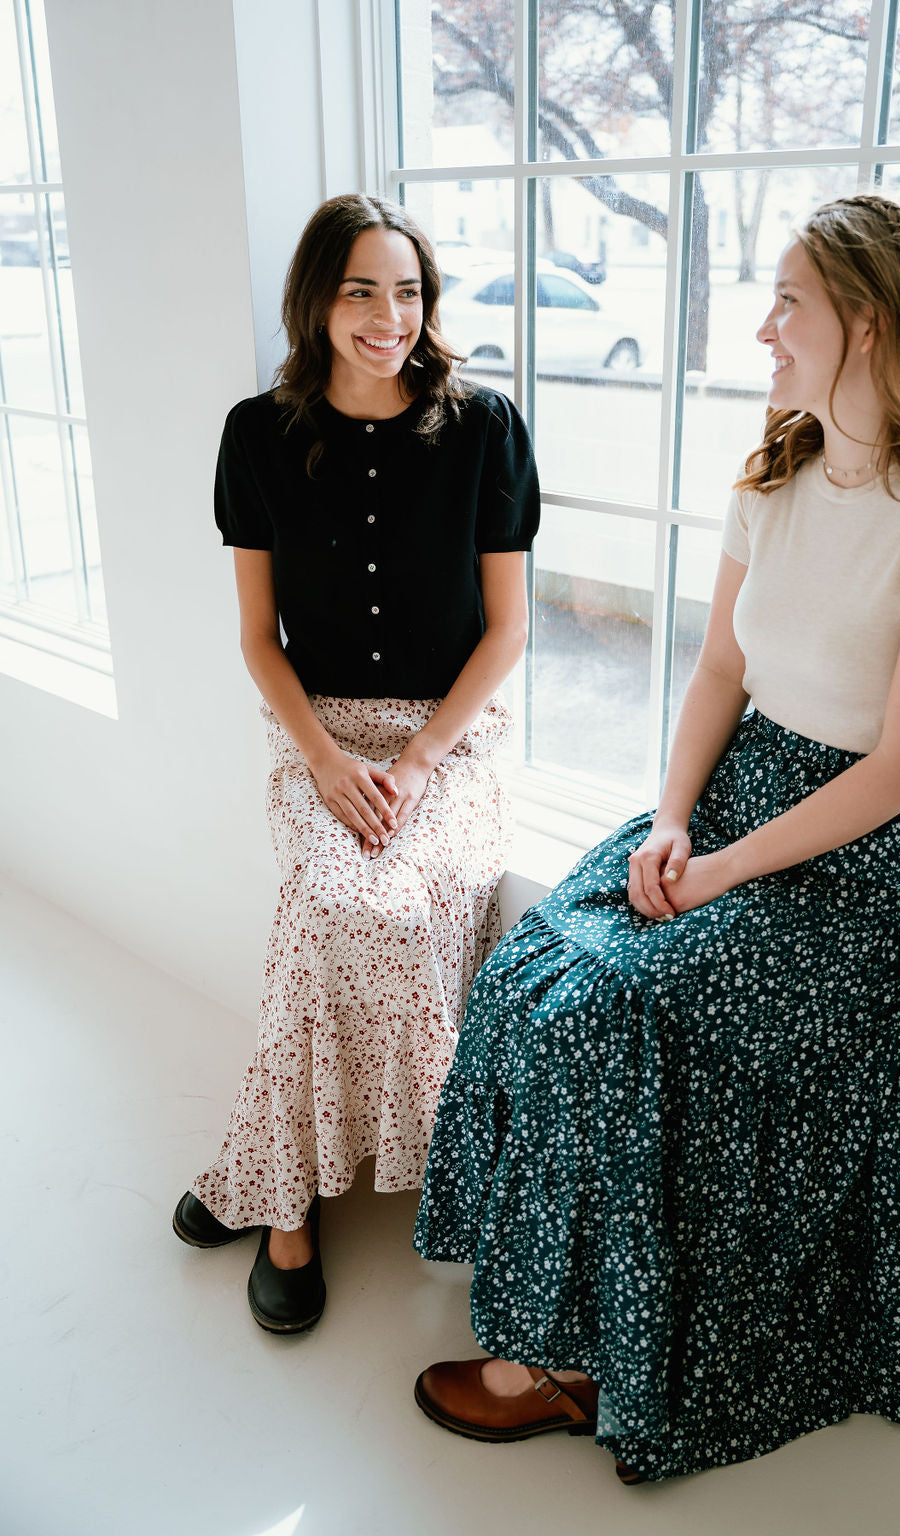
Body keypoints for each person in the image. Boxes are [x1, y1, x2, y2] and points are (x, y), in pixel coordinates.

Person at [411, 193, 900, 1483]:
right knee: (540, 954)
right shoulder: (774, 468)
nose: (764, 324)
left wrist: (718, 868)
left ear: (871, 322)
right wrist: (670, 820)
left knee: (618, 1003)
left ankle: (573, 1363)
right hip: (731, 792)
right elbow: (718, 666)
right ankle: (556, 1301)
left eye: (790, 299)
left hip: (851, 851)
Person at [172, 194, 540, 1334]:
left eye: (410, 291)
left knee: (388, 911)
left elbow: (510, 630)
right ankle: (290, 1205)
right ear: (317, 302)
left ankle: (266, 1177)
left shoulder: (485, 428)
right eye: (360, 291)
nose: (390, 317)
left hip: (455, 738)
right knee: (332, 905)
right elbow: (255, 639)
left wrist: (425, 757)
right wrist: (325, 758)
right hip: (318, 730)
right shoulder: (256, 433)